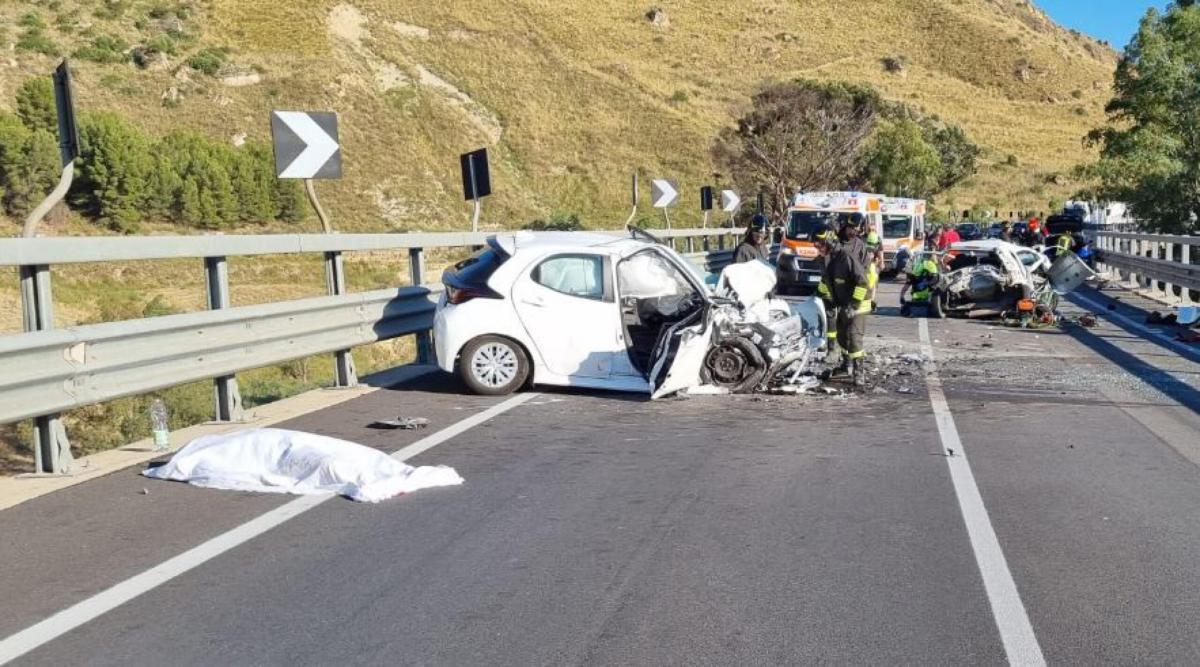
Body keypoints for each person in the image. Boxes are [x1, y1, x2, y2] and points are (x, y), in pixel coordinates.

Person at [815, 219, 871, 386]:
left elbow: (863, 282)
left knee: (853, 337)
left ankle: (859, 371)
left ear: (830, 241)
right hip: (844, 304)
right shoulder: (825, 259)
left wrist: (853, 305)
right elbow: (825, 282)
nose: (818, 248)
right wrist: (818, 296)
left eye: (820, 244)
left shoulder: (846, 257)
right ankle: (846, 365)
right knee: (841, 335)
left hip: (858, 303)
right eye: (816, 245)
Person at [900, 252, 940, 317]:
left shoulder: (929, 265)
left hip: (930, 297)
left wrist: (926, 284)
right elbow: (906, 285)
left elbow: (935, 280)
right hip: (917, 298)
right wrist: (901, 296)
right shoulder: (911, 272)